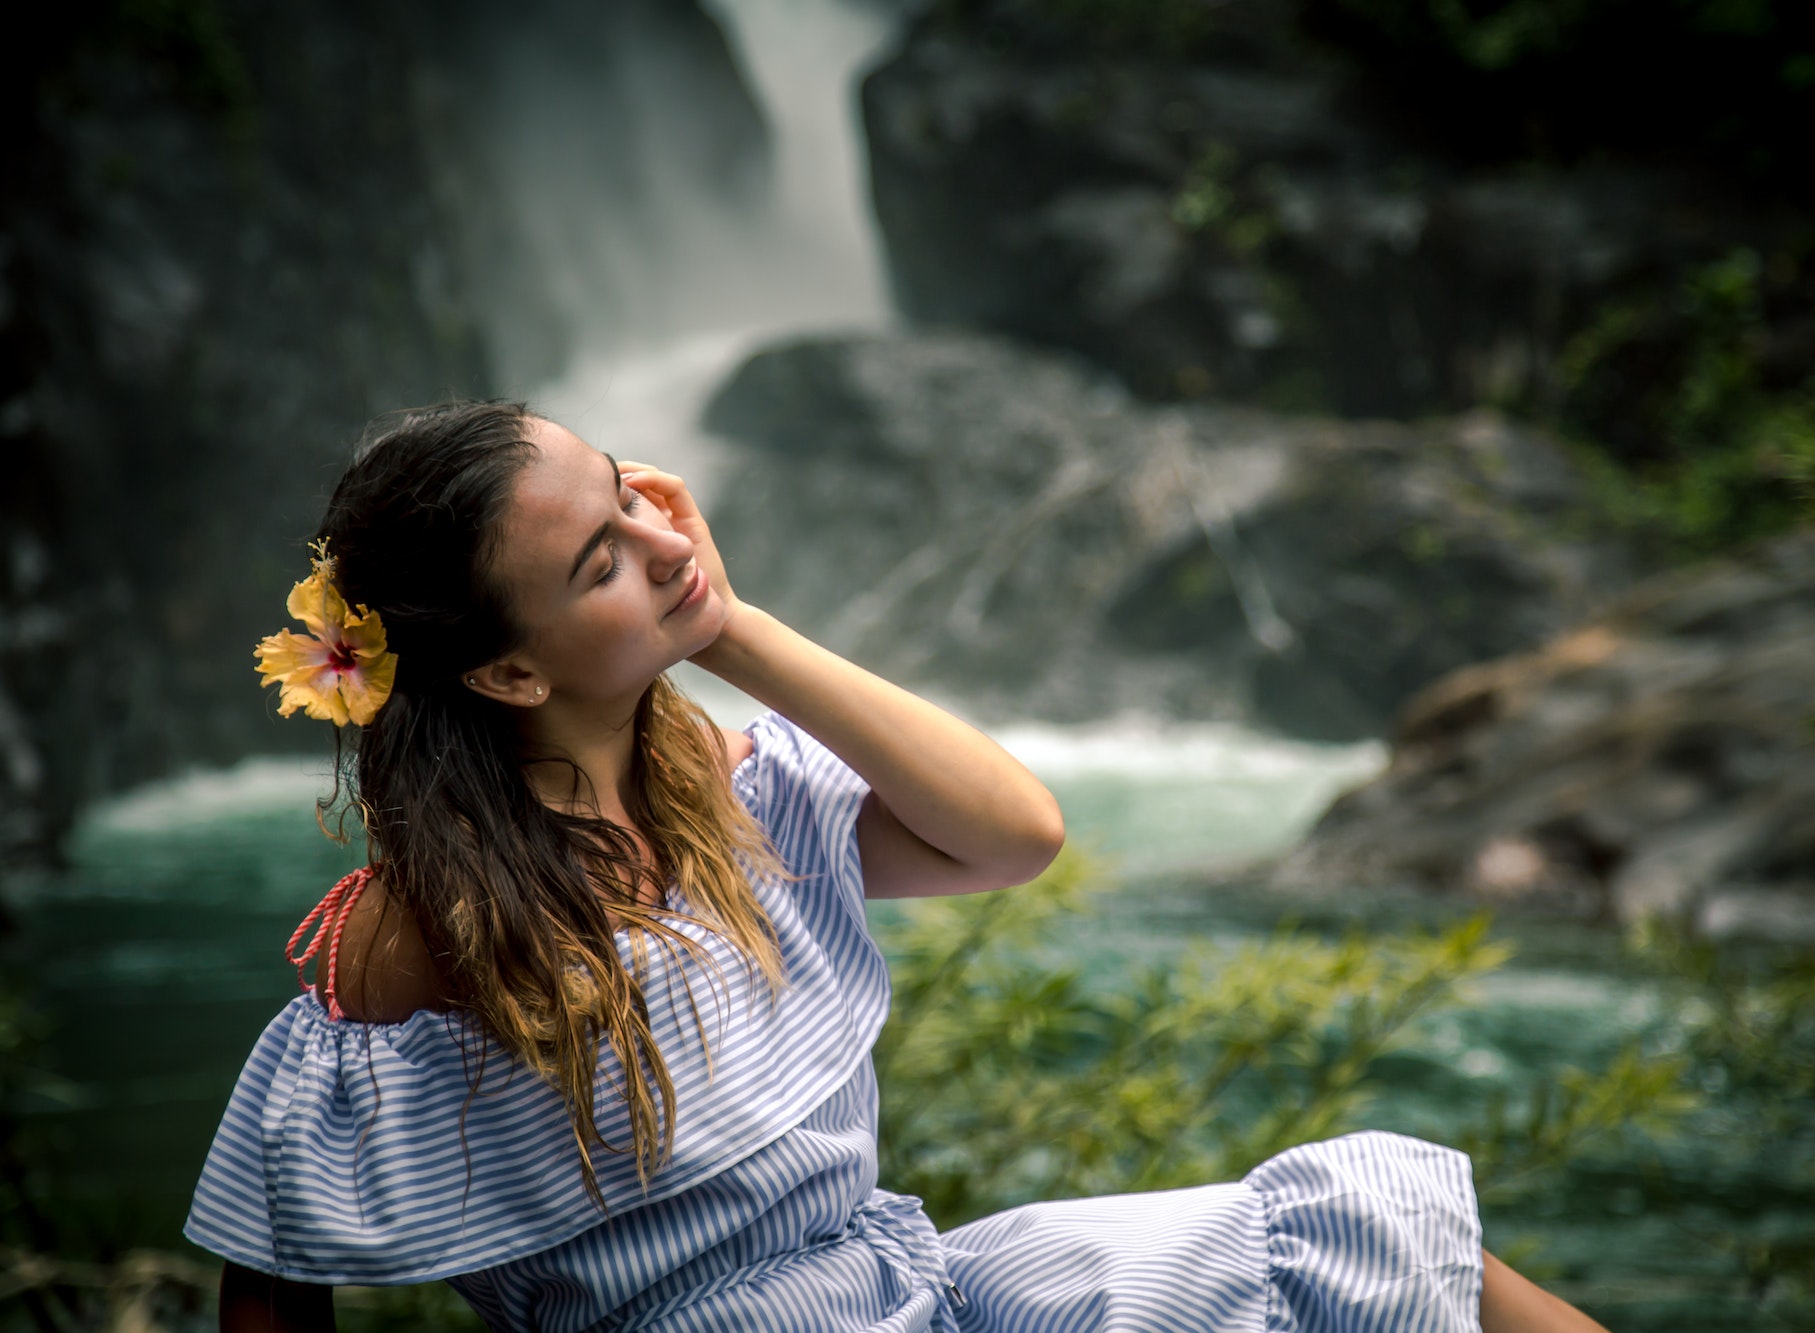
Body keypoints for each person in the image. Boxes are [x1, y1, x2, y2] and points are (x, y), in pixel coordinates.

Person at [190, 401, 1610, 1332]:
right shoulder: (417, 934)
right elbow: (271, 1266)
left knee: (1384, 1245)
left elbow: (1017, 834)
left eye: (635, 496)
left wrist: (726, 626)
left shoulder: (731, 804)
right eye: (602, 562)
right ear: (505, 667)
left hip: (920, 1294)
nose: (659, 542)